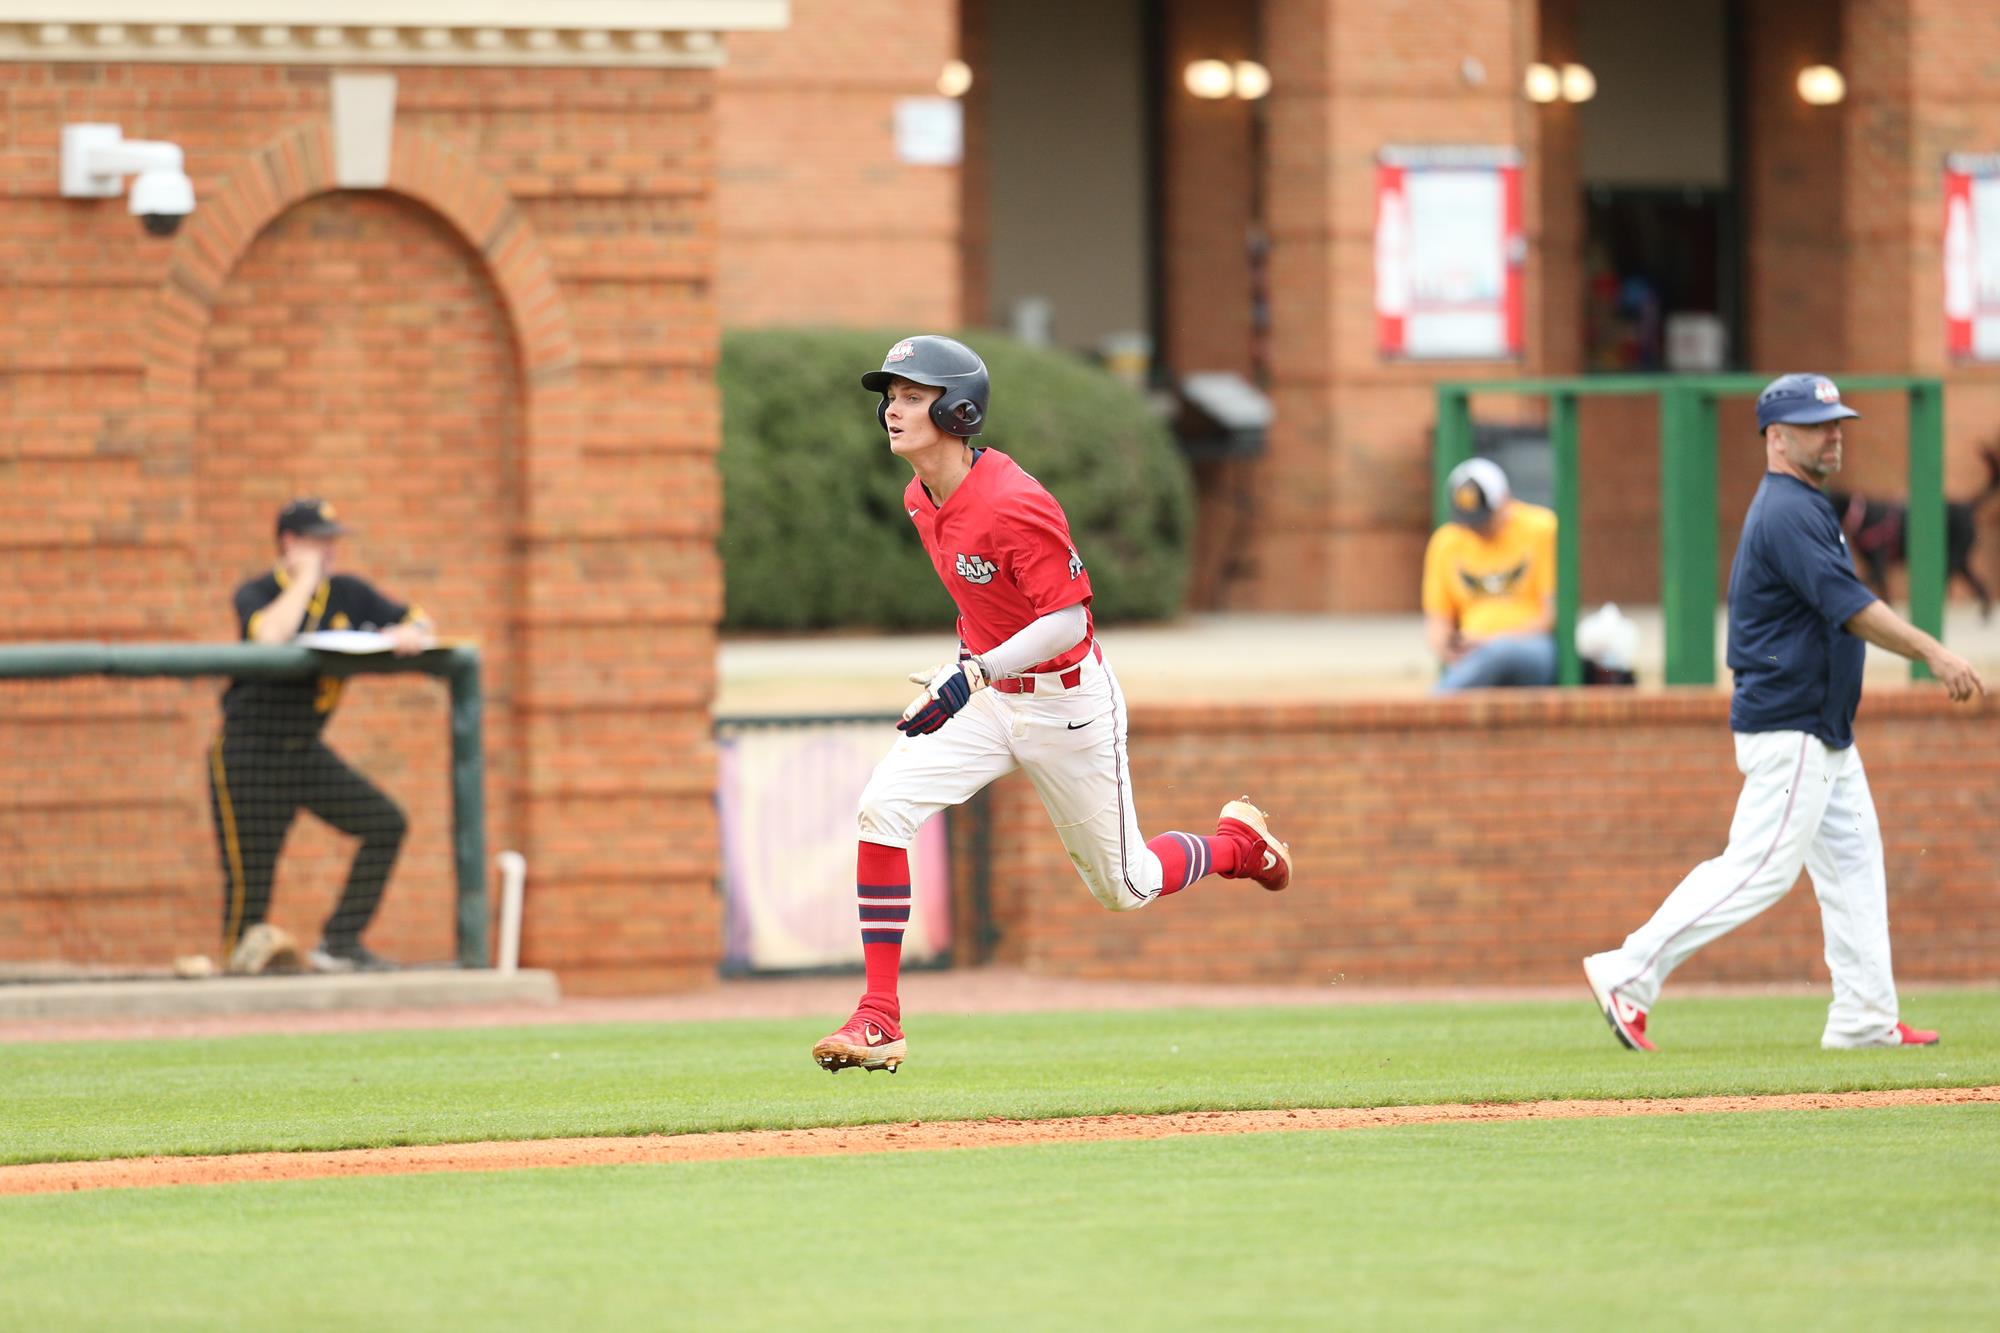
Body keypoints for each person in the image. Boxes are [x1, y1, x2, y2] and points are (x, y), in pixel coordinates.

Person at [811, 336, 1294, 1074]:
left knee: (1124, 887)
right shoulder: (920, 495)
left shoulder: (1013, 500)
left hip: (1066, 704)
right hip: (988, 692)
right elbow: (992, 606)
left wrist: (971, 675)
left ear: (958, 408)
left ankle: (1237, 847)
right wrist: (962, 670)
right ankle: (879, 1016)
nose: (892, 409)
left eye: (913, 395)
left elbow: (1069, 618)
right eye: (892, 395)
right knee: (883, 808)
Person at [1583, 374, 1985, 1052]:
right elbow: (1851, 607)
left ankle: (1863, 1015)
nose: (1833, 434)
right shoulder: (1787, 511)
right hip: (1790, 723)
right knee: (1758, 868)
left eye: (1836, 422)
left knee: (1856, 863)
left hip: (1823, 725)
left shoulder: (1808, 505)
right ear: (1776, 437)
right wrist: (1932, 652)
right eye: (1816, 423)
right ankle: (1627, 972)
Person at [208, 498, 437, 973]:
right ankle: (238, 977)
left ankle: (340, 940)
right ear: (289, 543)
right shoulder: (257, 591)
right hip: (248, 755)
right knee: (252, 882)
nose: (330, 551)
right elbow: (269, 636)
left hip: (305, 754)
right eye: (318, 540)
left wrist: (410, 632)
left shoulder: (349, 593)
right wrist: (305, 578)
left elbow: (417, 618)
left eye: (333, 541)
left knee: (385, 823)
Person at [1421, 457, 1558, 692]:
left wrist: (1488, 642)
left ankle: (1434, 709)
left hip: (1532, 647)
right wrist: (1448, 647)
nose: (1477, 529)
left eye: (1484, 520)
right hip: (1472, 655)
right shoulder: (1446, 541)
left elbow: (1550, 615)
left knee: (1499, 653)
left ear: (1505, 500)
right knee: (1485, 660)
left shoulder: (1541, 528)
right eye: (1470, 522)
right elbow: (1437, 621)